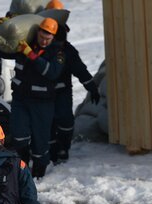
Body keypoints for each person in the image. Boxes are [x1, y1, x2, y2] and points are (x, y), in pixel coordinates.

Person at [9, 17, 65, 179]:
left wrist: (31, 55)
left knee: (40, 142)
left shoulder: (58, 53)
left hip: (42, 103)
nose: (44, 41)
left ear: (53, 37)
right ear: (37, 32)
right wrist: (0, 31)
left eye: (48, 39)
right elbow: (2, 51)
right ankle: (22, 169)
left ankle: (39, 176)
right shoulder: (24, 45)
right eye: (41, 37)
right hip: (20, 99)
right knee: (18, 136)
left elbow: (52, 72)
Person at [46, 2, 100, 164]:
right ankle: (51, 150)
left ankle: (63, 148)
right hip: (43, 92)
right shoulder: (39, 39)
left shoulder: (67, 50)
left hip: (62, 91)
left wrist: (91, 87)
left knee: (66, 121)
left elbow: (79, 69)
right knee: (48, 122)